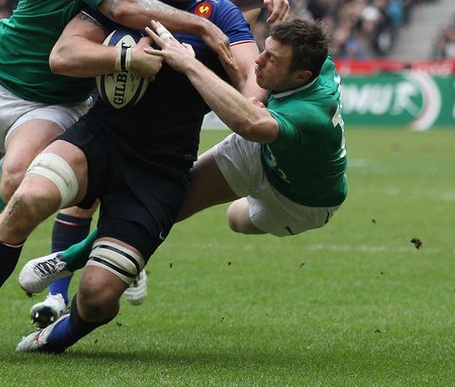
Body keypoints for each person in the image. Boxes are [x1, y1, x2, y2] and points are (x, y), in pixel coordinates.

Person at [0, 0, 261, 360]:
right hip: (100, 138)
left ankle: (53, 338)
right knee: (25, 199)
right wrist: (124, 61)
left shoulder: (221, 12)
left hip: (160, 168)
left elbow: (250, 90)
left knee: (99, 298)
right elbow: (63, 54)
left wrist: (191, 64)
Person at [28, 0, 289, 325]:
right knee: (39, 189)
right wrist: (125, 58)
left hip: (164, 150)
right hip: (100, 114)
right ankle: (39, 293)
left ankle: (109, 261)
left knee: (115, 224)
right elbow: (67, 50)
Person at [18, 17, 348, 297]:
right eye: (265, 49)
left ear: (302, 77)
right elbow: (255, 104)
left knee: (236, 220)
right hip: (260, 153)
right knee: (164, 204)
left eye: (272, 60)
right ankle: (69, 259)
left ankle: (115, 251)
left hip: (300, 201)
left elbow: (248, 122)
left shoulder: (310, 114)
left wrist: (189, 62)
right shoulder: (314, 58)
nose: (259, 61)